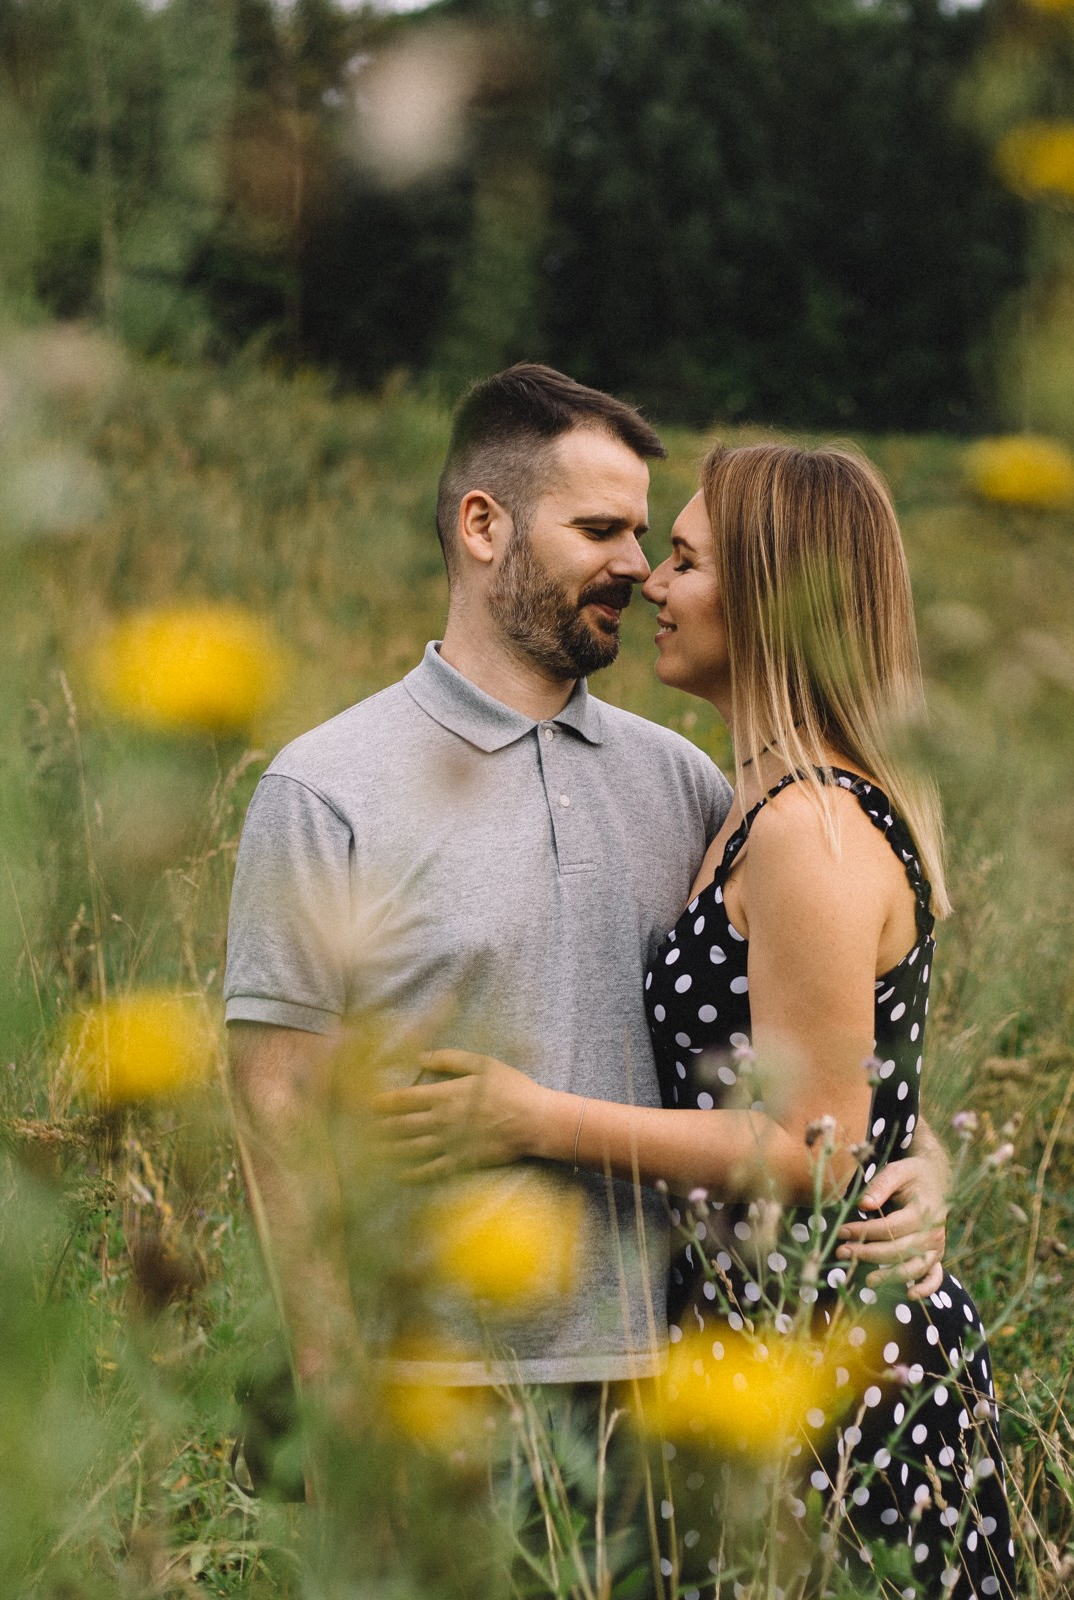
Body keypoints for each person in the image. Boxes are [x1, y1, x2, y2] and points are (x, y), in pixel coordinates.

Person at [222, 368, 955, 1481]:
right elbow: (273, 1099)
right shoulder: (328, 787)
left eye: (655, 539)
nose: (637, 566)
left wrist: (921, 1160)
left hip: (663, 1385)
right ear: (484, 526)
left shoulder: (695, 790)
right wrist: (331, 1378)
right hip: (426, 1392)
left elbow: (822, 1059)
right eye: (601, 529)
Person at [372, 442, 1017, 1597]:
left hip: (827, 1360)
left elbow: (807, 1148)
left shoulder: (806, 835)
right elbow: (863, 1092)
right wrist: (926, 1156)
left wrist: (526, 1116)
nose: (652, 585)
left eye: (684, 560)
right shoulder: (746, 807)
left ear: (773, 599)